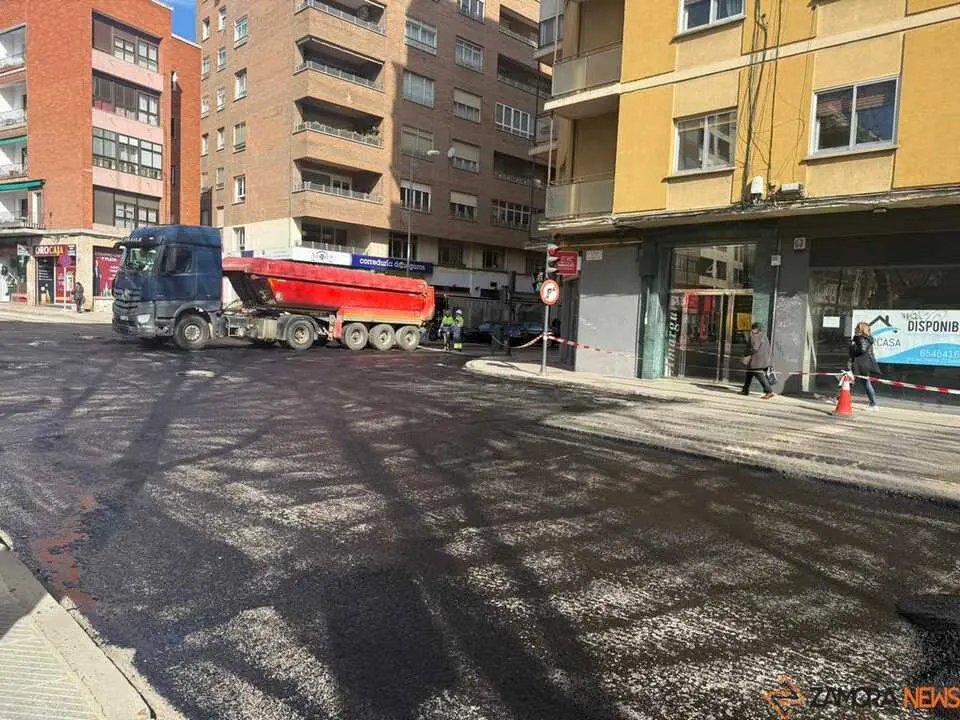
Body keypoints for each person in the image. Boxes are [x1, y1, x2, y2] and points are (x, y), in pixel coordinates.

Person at [849, 321, 881, 411]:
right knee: (851, 380)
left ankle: (873, 404)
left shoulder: (859, 338)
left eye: (857, 328)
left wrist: (852, 346)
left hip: (860, 364)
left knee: (850, 379)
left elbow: (862, 350)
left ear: (861, 329)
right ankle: (841, 398)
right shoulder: (868, 338)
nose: (855, 329)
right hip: (865, 364)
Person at [741, 322, 775, 399]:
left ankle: (769, 391)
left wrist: (746, 353)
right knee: (749, 373)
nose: (752, 330)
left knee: (759, 375)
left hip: (757, 360)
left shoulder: (755, 336)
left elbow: (755, 348)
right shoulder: (763, 335)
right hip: (763, 359)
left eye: (753, 329)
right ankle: (745, 390)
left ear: (756, 329)